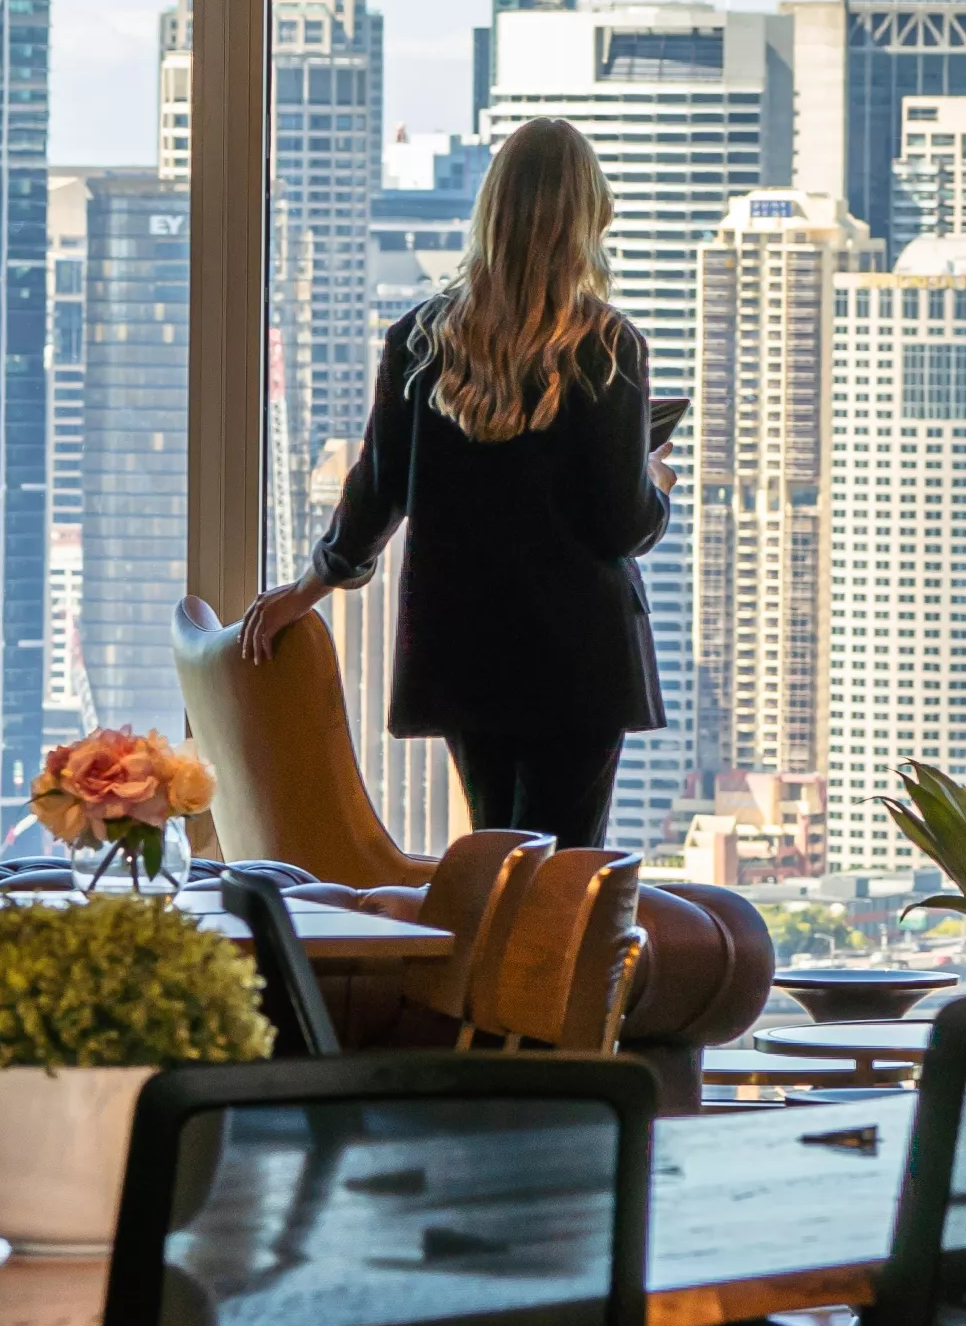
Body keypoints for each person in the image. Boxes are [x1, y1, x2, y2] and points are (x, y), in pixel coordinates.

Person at [238, 117, 673, 849]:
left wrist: (306, 588)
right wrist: (653, 478)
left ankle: (495, 967)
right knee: (564, 864)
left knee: (499, 851)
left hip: (464, 645)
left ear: (491, 212)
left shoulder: (419, 338)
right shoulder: (605, 347)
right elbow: (618, 525)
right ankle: (546, 971)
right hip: (578, 657)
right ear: (586, 218)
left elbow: (375, 490)